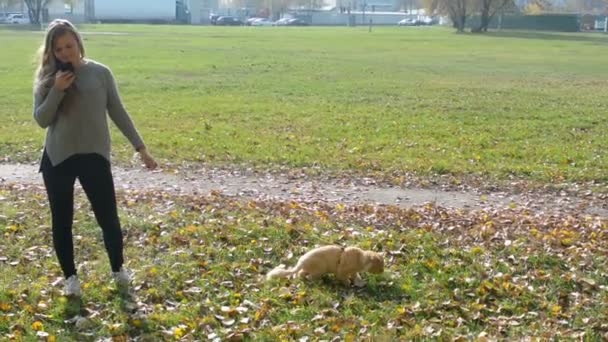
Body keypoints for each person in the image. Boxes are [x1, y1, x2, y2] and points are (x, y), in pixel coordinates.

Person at [32, 19, 158, 297]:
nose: (66, 53)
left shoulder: (100, 73)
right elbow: (41, 120)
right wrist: (57, 90)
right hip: (58, 158)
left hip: (94, 156)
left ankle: (118, 269)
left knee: (108, 218)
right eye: (59, 49)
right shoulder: (47, 78)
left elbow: (118, 112)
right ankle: (71, 279)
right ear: (52, 52)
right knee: (62, 221)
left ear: (78, 42)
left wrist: (141, 149)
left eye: (69, 45)